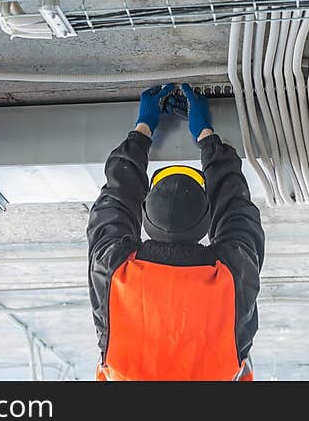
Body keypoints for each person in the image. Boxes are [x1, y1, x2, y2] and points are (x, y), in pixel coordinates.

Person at [86, 82, 265, 381]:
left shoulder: (231, 280)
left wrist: (208, 138)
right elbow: (112, 209)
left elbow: (238, 217)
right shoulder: (115, 273)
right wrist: (142, 130)